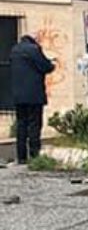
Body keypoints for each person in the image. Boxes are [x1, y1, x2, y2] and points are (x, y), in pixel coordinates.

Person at [9, 35, 55, 164]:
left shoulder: (14, 50)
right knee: (34, 125)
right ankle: (35, 155)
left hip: (18, 96)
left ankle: (21, 156)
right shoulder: (34, 49)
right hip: (34, 95)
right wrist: (52, 64)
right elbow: (46, 67)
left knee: (21, 125)